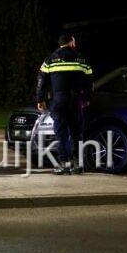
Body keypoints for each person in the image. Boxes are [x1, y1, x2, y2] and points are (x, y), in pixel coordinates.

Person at [35, 33, 93, 175]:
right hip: (75, 101)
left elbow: (41, 80)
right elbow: (89, 81)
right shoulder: (82, 59)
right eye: (74, 42)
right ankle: (78, 164)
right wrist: (87, 98)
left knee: (61, 133)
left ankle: (64, 164)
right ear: (71, 43)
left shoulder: (50, 60)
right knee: (76, 133)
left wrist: (40, 99)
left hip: (59, 101)